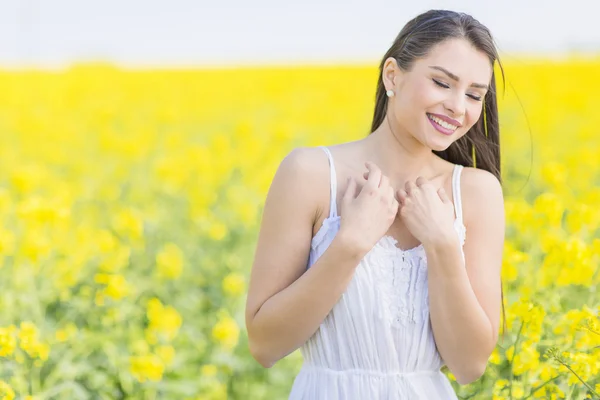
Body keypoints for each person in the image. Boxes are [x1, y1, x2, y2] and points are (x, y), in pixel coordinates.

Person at [245, 9, 506, 399]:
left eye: (473, 95)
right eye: (441, 83)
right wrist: (350, 243)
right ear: (392, 75)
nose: (457, 106)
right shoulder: (310, 174)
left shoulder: (477, 192)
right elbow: (265, 345)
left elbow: (469, 366)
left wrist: (443, 246)